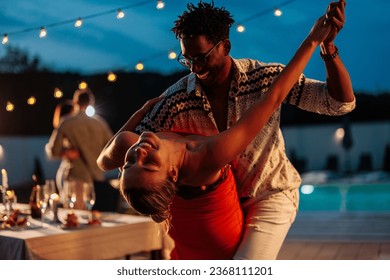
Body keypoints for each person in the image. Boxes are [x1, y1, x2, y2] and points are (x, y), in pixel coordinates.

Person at [98, 8, 337, 259]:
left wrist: (138, 113)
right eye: (187, 60)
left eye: (200, 57)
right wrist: (312, 40)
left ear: (225, 46)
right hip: (231, 202)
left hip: (272, 191)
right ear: (172, 173)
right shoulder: (191, 127)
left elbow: (103, 161)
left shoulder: (133, 142)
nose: (194, 68)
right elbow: (272, 99)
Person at [46, 88, 113, 209]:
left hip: (76, 177)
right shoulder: (100, 123)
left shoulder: (67, 122)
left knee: (75, 218)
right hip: (97, 178)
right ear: (90, 103)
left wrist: (66, 152)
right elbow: (112, 146)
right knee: (93, 220)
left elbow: (53, 151)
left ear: (75, 102)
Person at [46, 99, 74, 201]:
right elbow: (51, 150)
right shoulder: (64, 127)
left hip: (66, 172)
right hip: (67, 173)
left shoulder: (69, 129)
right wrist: (66, 153)